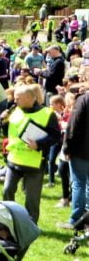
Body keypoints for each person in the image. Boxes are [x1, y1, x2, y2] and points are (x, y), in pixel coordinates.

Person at [3, 84, 61, 223]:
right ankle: (10, 220)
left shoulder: (47, 114)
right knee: (7, 190)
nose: (15, 101)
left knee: (32, 199)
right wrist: (3, 121)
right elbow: (9, 132)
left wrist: (39, 144)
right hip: (14, 160)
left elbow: (56, 136)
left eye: (18, 98)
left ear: (30, 98)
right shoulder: (15, 110)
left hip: (34, 163)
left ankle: (30, 227)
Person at [61, 90, 89, 229]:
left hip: (82, 150)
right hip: (83, 148)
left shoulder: (84, 99)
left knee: (79, 184)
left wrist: (67, 148)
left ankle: (76, 220)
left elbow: (74, 124)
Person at [46, 95, 65, 187]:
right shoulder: (50, 113)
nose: (50, 106)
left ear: (58, 104)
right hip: (55, 139)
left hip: (64, 139)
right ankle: (51, 181)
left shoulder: (65, 113)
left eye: (52, 104)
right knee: (51, 159)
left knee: (64, 161)